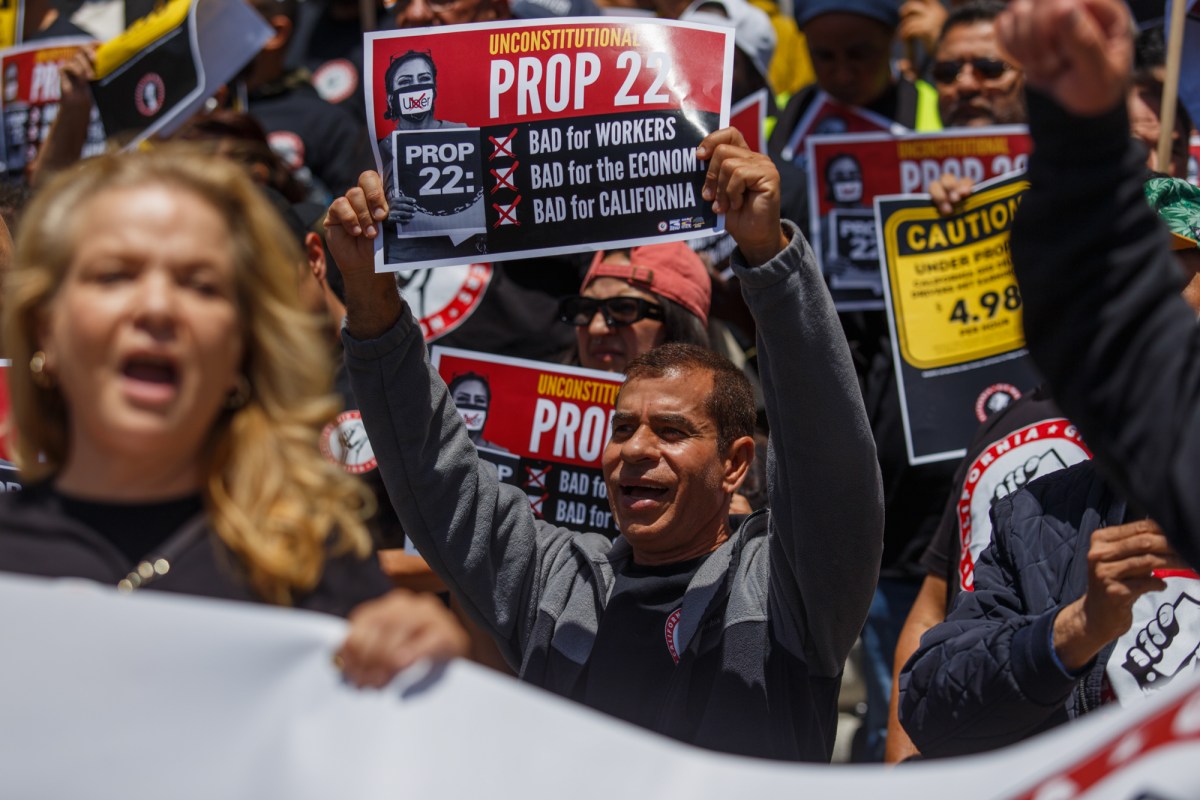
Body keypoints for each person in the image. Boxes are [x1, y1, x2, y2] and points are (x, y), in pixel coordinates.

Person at [326, 127, 884, 761]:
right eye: (623, 429)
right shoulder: (555, 581)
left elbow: (828, 455)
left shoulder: (788, 589)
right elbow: (435, 474)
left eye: (672, 431)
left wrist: (767, 256)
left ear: (735, 465)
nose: (636, 449)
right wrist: (370, 301)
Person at [0, 145, 467, 684]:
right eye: (113, 275)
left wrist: (415, 660)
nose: (156, 307)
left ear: (242, 350)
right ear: (43, 328)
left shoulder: (319, 578)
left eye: (200, 284)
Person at [999, 0, 1200, 569]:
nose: (1167, 287)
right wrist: (1081, 132)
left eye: (1183, 265)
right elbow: (1123, 361)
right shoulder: (1028, 509)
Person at [561, 242, 711, 375]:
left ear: (678, 327)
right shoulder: (539, 398)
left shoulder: (717, 406)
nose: (596, 328)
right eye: (585, 309)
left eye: (624, 308)